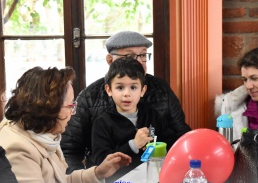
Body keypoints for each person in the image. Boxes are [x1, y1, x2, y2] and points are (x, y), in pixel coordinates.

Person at [0, 66, 131, 183]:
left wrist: (98, 173)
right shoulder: (17, 149)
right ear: (49, 108)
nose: (73, 113)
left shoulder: (42, 132)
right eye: (70, 106)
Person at [62, 30, 191, 173]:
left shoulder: (161, 90)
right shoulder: (89, 97)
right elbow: (69, 150)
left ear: (142, 90)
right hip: (106, 181)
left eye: (143, 55)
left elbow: (180, 137)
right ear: (110, 60)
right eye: (129, 56)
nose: (139, 62)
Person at [92, 57, 181, 182]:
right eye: (120, 87)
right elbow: (102, 163)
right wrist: (134, 145)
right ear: (109, 90)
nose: (126, 94)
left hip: (153, 179)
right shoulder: (102, 123)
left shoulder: (152, 115)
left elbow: (170, 142)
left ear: (142, 90)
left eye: (133, 87)